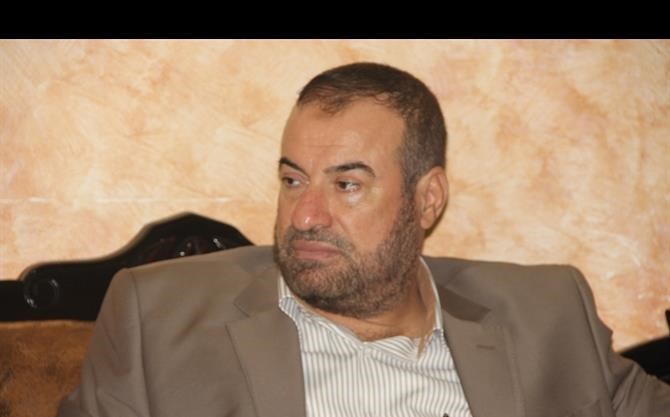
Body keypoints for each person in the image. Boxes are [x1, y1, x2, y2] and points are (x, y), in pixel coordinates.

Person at [58, 62, 670, 417]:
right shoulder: (157, 317)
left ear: (427, 199)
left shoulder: (548, 312)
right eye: (293, 180)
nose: (305, 216)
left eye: (347, 185)